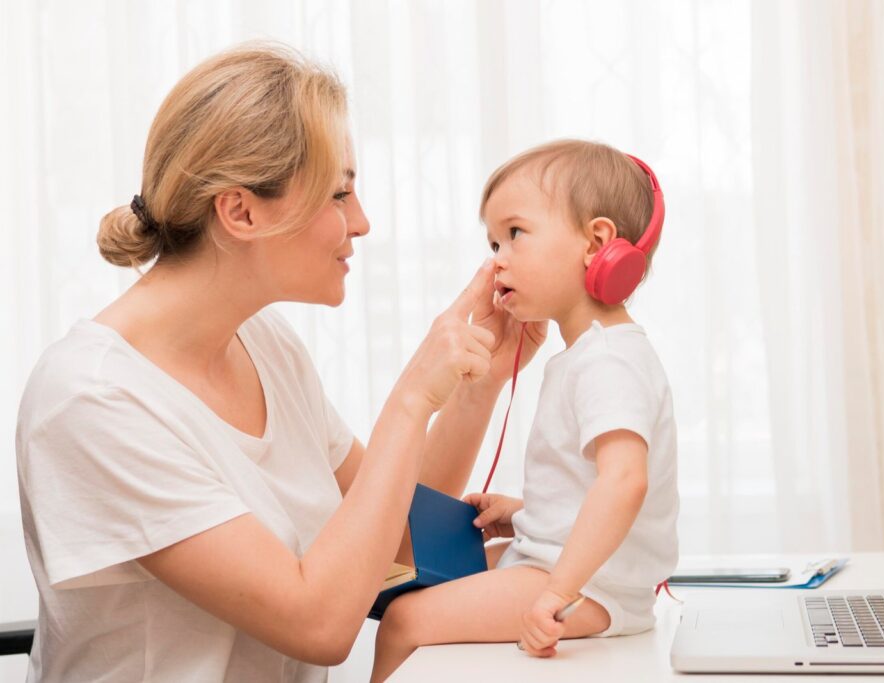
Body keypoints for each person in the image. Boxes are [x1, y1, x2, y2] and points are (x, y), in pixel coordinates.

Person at [15, 42, 547, 683]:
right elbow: (318, 625)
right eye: (339, 194)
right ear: (240, 211)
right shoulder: (92, 400)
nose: (362, 222)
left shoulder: (264, 343)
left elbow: (399, 537)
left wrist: (475, 383)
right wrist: (412, 399)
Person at [370, 140, 680, 681]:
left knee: (403, 618)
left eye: (515, 233)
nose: (498, 259)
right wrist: (525, 513)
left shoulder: (608, 360)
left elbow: (627, 482)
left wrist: (557, 593)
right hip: (570, 570)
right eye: (492, 242)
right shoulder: (590, 353)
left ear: (597, 242)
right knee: (411, 579)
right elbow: (592, 483)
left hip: (587, 585)